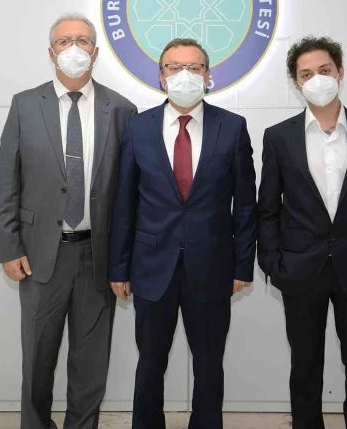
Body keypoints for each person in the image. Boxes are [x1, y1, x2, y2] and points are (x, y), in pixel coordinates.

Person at [0, 13, 137, 429]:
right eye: (64, 41)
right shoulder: (25, 105)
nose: (73, 48)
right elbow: (7, 181)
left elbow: (130, 194)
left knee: (91, 363)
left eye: (82, 40)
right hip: (39, 256)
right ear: (51, 52)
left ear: (96, 51)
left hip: (98, 256)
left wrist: (124, 260)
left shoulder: (122, 110)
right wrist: (9, 247)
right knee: (37, 359)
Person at [108, 38, 257, 429]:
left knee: (209, 365)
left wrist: (243, 265)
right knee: (150, 363)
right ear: (161, 76)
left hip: (212, 267)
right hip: (150, 267)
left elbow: (245, 205)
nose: (184, 75)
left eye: (194, 67)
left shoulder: (233, 128)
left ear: (208, 75)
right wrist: (119, 268)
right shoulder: (138, 128)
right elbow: (124, 203)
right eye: (174, 67)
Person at [257, 36, 347, 429]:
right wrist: (273, 264)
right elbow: (267, 209)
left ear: (340, 72)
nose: (316, 79)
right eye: (306, 74)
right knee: (305, 369)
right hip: (300, 271)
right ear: (296, 82)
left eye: (324, 70)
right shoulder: (279, 137)